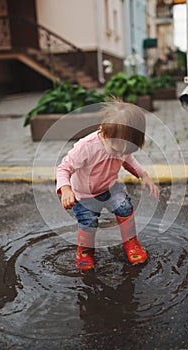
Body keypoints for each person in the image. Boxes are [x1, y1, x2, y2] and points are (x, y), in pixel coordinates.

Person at [56, 99, 159, 271]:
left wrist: (144, 175)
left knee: (125, 207)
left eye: (125, 151)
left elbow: (129, 161)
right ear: (104, 133)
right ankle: (85, 252)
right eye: (117, 150)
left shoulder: (121, 146)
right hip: (84, 194)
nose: (121, 154)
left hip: (110, 188)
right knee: (88, 222)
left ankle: (131, 243)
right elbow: (64, 167)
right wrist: (66, 189)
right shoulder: (86, 147)